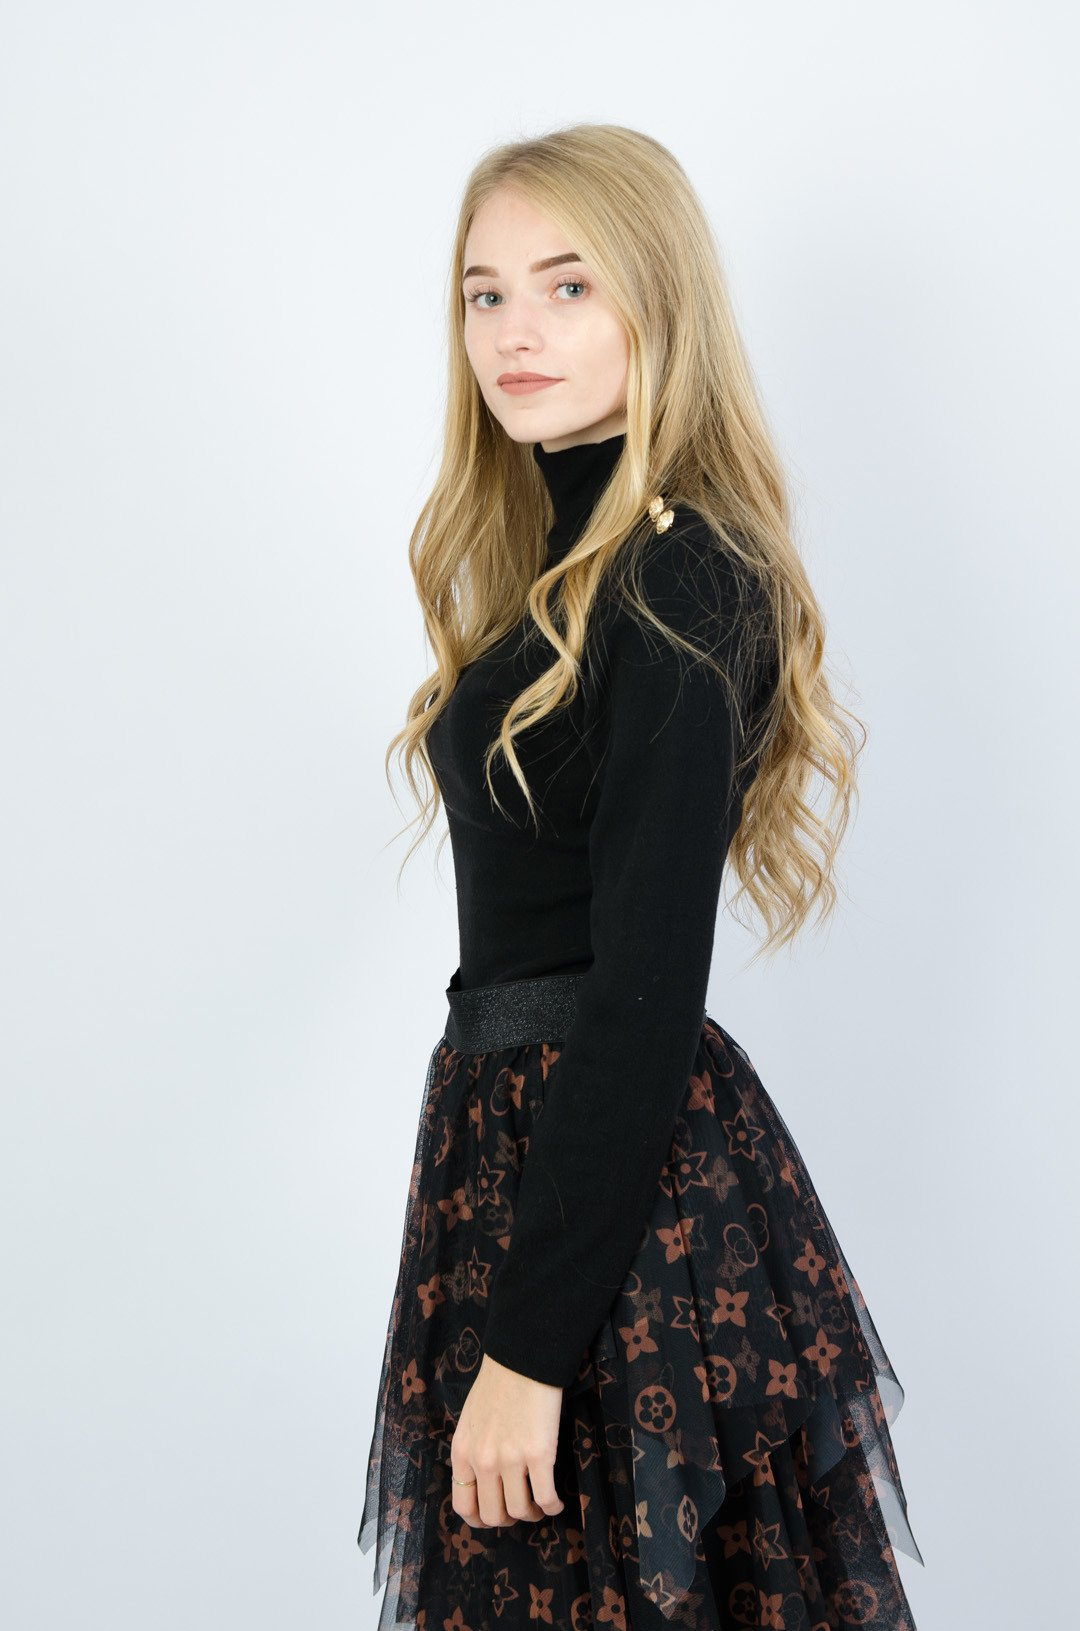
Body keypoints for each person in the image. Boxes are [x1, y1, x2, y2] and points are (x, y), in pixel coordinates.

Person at [358, 123, 923, 1631]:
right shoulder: (567, 565)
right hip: (520, 1157)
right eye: (484, 294)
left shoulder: (681, 575)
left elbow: (645, 989)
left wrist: (530, 1349)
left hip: (613, 1191)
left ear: (657, 303)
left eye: (568, 287)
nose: (515, 332)